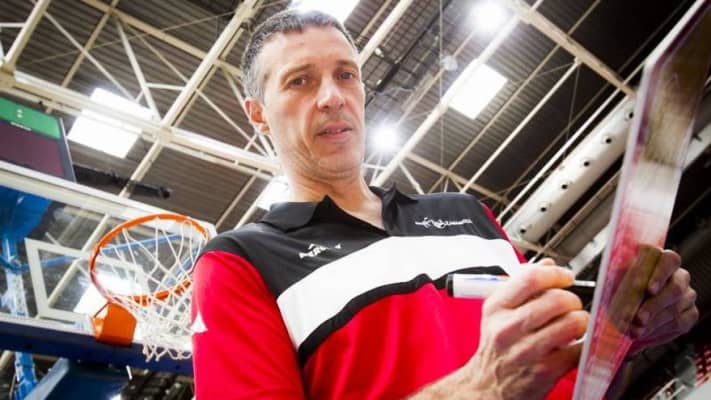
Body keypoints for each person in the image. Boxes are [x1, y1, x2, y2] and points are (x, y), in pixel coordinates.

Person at [191, 10, 698, 399]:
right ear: (258, 114)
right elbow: (497, 381)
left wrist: (625, 335)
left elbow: (573, 382)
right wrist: (480, 387)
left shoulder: (467, 214)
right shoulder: (240, 264)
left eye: (346, 75)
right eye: (300, 81)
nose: (332, 97)